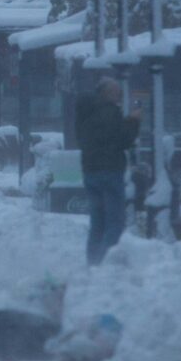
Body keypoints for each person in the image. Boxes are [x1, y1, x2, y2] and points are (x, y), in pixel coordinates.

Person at [73, 75, 138, 266]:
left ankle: (92, 263)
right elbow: (122, 140)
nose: (119, 97)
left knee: (98, 223)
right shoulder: (109, 112)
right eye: (117, 93)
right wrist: (133, 121)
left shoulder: (85, 113)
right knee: (115, 224)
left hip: (90, 172)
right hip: (110, 172)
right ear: (107, 93)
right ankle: (102, 266)